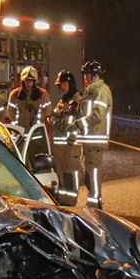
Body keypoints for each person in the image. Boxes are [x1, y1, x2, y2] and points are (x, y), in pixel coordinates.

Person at [78, 60, 113, 208]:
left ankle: (95, 208)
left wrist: (80, 123)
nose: (85, 78)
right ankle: (93, 205)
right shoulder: (92, 92)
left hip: (95, 140)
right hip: (89, 140)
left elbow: (97, 115)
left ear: (94, 75)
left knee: (93, 175)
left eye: (86, 75)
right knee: (89, 176)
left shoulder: (102, 91)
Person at [49, 69, 83, 201]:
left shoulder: (78, 100)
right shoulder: (62, 101)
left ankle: (71, 202)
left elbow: (81, 121)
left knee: (70, 174)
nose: (61, 88)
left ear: (70, 84)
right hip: (59, 146)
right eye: (60, 85)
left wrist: (74, 136)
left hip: (71, 145)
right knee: (60, 174)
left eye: (63, 84)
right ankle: (63, 202)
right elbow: (57, 118)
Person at [7, 65, 51, 131]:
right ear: (22, 81)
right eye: (26, 80)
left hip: (37, 132)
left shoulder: (43, 94)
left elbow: (47, 113)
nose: (28, 83)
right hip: (19, 132)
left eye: (31, 81)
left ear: (35, 81)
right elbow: (10, 113)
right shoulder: (14, 95)